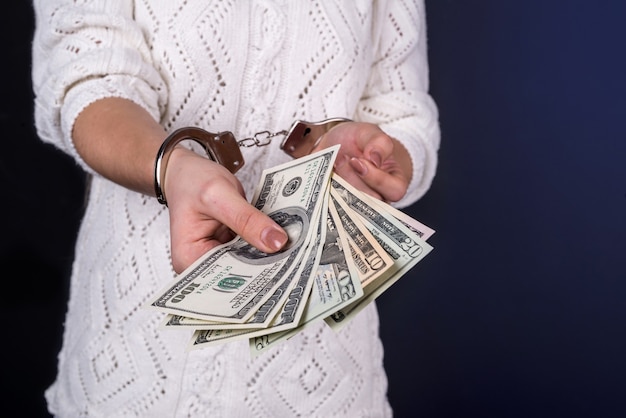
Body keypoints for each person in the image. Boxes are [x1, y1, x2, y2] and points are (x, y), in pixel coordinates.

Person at [32, 1, 440, 416]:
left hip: (320, 384)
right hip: (134, 362)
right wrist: (170, 169)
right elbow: (86, 74)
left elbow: (402, 109)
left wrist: (373, 161)